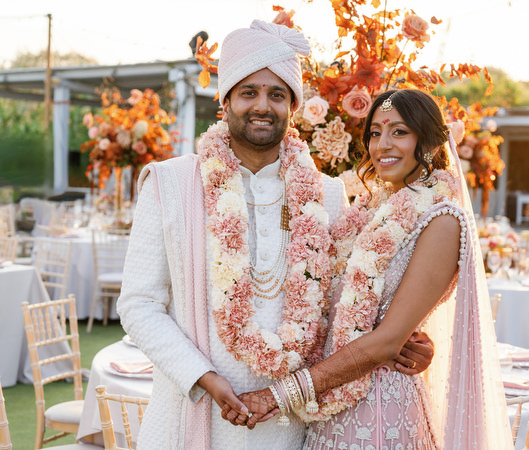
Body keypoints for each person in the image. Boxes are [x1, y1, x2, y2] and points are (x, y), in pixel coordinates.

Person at [117, 21, 434, 449]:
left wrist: (405, 342)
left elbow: (345, 309)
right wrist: (205, 378)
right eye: (249, 92)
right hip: (192, 415)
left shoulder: (327, 193)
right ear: (225, 100)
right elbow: (139, 304)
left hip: (289, 426)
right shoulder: (169, 184)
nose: (262, 105)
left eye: (277, 94)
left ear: (294, 106)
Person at [230, 89, 514, 449]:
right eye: (376, 133)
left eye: (399, 131)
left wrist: (278, 395)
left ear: (426, 140)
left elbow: (388, 341)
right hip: (327, 406)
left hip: (380, 416)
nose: (382, 144)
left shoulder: (441, 220)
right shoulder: (367, 212)